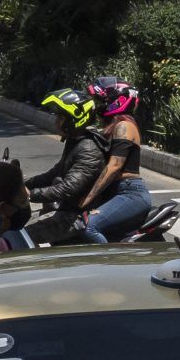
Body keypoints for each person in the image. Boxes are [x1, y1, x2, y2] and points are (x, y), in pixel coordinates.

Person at [25, 87, 116, 241]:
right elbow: (54, 174)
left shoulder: (88, 148)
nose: (56, 122)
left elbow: (68, 188)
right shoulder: (76, 141)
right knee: (18, 226)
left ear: (74, 118)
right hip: (66, 209)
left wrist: (30, 195)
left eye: (61, 118)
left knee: (19, 236)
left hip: (76, 217)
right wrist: (23, 184)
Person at [80, 79, 152, 241]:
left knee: (88, 226)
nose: (99, 105)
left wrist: (88, 198)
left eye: (102, 101)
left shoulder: (124, 126)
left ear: (116, 101)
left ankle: (107, 265)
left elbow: (114, 166)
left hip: (129, 192)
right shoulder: (112, 127)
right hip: (115, 192)